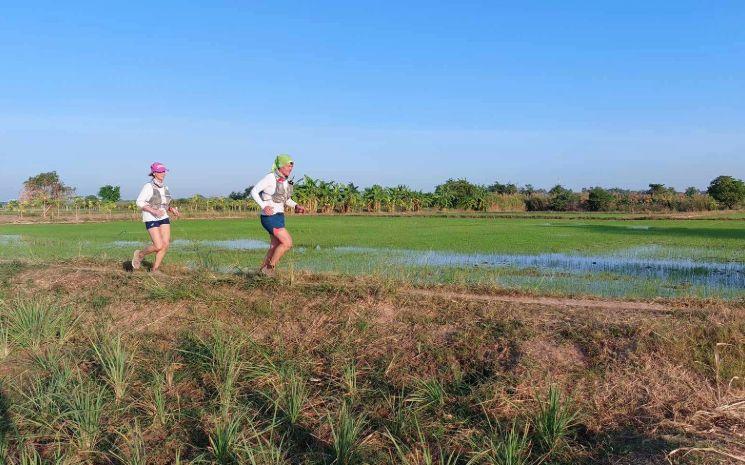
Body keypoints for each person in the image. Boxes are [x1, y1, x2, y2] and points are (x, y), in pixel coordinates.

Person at [250, 154, 306, 276]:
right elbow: (254, 191)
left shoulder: (284, 181)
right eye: (288, 166)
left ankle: (260, 273)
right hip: (269, 217)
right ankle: (269, 269)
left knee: (274, 245)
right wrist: (264, 206)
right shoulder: (270, 178)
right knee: (287, 243)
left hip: (279, 216)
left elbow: (285, 200)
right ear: (280, 166)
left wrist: (296, 206)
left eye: (291, 167)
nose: (290, 169)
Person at [131, 162, 180, 274]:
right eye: (159, 171)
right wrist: (153, 211)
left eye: (163, 171)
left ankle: (155, 270)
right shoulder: (148, 186)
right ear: (154, 173)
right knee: (158, 245)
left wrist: (172, 209)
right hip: (150, 217)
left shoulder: (165, 187)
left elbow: (164, 204)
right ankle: (140, 254)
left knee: (165, 244)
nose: (162, 173)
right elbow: (139, 202)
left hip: (163, 217)